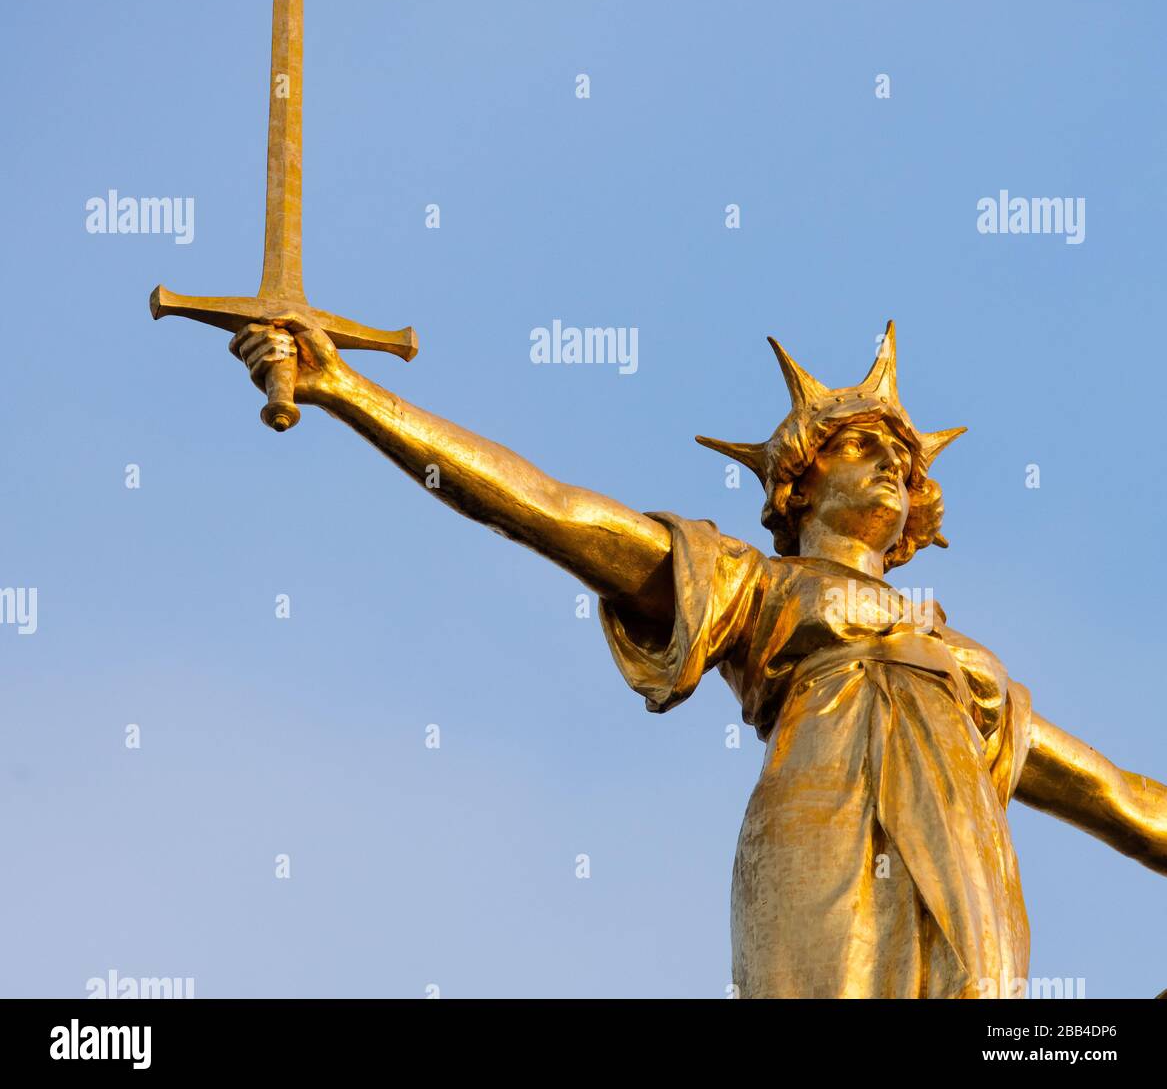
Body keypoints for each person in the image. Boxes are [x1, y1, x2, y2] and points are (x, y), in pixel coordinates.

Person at [230, 317, 1167, 998]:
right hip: (820, 845)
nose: (891, 464)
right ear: (799, 480)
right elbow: (546, 508)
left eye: (903, 459)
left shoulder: (969, 669)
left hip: (964, 886)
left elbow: (1119, 796)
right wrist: (349, 390)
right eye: (861, 445)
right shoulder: (750, 587)